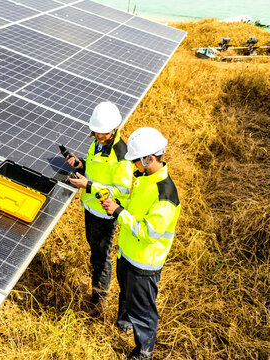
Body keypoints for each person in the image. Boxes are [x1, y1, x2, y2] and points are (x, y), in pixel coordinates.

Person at [101, 127, 181, 360]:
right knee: (126, 295)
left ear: (149, 158)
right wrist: (117, 201)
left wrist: (118, 212)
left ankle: (143, 352)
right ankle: (125, 322)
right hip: (127, 253)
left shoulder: (165, 195)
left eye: (136, 160)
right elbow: (133, 203)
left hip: (144, 263)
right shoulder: (143, 178)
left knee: (143, 311)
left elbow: (148, 233)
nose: (133, 164)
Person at [64, 101, 135, 306]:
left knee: (101, 259)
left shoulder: (122, 155)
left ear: (115, 128)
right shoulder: (97, 143)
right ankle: (98, 294)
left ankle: (98, 303)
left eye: (103, 132)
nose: (99, 135)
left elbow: (120, 191)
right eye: (96, 131)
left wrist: (89, 185)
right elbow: (95, 170)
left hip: (104, 214)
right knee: (95, 253)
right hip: (91, 208)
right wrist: (80, 165)